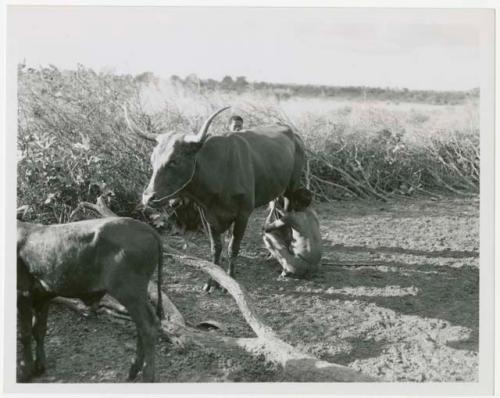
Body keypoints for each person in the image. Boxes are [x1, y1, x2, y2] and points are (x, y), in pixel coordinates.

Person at [262, 188, 322, 278]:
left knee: (267, 237)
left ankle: (287, 268)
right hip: (316, 267)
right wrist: (279, 210)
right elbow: (291, 219)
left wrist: (272, 211)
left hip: (298, 267)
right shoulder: (313, 214)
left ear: (296, 202)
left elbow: (267, 228)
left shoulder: (291, 217)